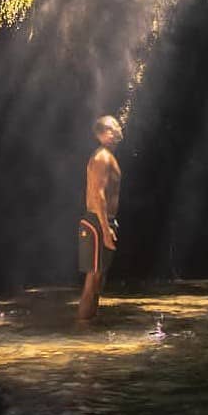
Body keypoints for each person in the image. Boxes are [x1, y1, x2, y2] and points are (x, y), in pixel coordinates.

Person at [77, 114, 123, 321]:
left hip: (104, 221)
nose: (118, 130)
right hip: (96, 222)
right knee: (92, 278)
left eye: (118, 126)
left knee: (99, 278)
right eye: (113, 128)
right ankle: (82, 328)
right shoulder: (102, 157)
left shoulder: (108, 156)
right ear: (103, 134)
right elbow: (99, 194)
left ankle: (89, 325)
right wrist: (105, 230)